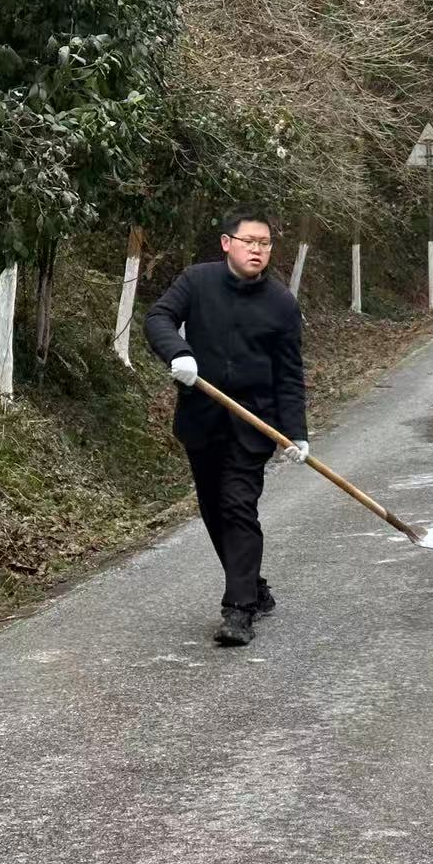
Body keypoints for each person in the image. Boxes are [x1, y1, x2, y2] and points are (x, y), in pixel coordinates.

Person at [145, 211, 308, 647]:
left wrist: (296, 433)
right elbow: (157, 318)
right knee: (215, 511)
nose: (258, 250)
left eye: (266, 243)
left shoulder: (281, 303)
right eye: (249, 241)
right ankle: (253, 585)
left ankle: (238, 610)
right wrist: (177, 352)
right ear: (226, 243)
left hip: (253, 426)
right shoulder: (196, 282)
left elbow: (290, 374)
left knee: (238, 506)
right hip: (202, 419)